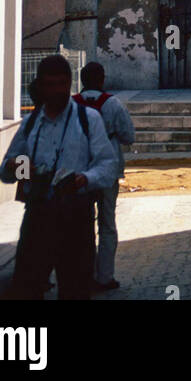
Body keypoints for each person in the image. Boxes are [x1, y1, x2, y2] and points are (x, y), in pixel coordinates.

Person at [0, 54, 116, 300]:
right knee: (27, 289)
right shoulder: (31, 124)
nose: (56, 91)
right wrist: (21, 168)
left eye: (62, 84)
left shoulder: (87, 120)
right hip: (37, 215)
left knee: (75, 290)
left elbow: (108, 165)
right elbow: (6, 171)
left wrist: (85, 178)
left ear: (70, 83)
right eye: (50, 84)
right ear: (40, 86)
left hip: (75, 216)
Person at [73, 61, 135, 293]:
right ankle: (105, 276)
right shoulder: (113, 104)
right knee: (107, 223)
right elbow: (128, 136)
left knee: (82, 223)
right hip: (108, 169)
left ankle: (83, 272)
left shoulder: (72, 104)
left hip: (80, 170)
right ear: (102, 79)